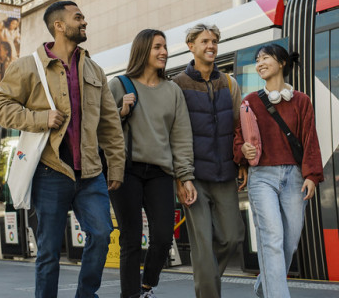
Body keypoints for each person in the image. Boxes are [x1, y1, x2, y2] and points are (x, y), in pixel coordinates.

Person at [0, 1, 125, 298]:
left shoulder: (94, 69)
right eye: (78, 18)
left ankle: (85, 295)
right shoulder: (27, 66)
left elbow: (109, 125)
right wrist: (41, 118)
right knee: (49, 252)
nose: (84, 22)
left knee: (102, 235)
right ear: (59, 26)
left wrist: (116, 166)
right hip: (50, 171)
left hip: (90, 173)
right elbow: (1, 109)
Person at [109, 29, 197, 298]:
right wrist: (121, 112)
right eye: (157, 47)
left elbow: (181, 136)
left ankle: (146, 285)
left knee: (162, 236)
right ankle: (130, 295)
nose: (164, 52)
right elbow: (103, 130)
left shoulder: (172, 90)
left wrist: (185, 176)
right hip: (126, 171)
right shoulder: (119, 84)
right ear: (142, 50)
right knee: (131, 239)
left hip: (160, 172)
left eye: (165, 47)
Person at [233, 44, 323, 298]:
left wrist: (312, 176)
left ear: (282, 63)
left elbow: (310, 140)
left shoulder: (302, 101)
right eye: (257, 59)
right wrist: (243, 152)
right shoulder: (249, 101)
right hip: (262, 177)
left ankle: (266, 283)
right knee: (272, 236)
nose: (260, 62)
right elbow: (239, 140)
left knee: (290, 240)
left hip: (294, 177)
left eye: (266, 58)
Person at [172, 24, 246, 298]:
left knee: (232, 237)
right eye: (204, 41)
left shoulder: (229, 83)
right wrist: (181, 177)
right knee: (203, 244)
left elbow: (239, 126)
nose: (211, 45)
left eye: (214, 41)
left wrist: (242, 163)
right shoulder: (178, 85)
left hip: (225, 173)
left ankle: (205, 281)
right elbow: (172, 133)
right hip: (193, 177)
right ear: (191, 46)